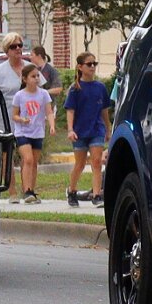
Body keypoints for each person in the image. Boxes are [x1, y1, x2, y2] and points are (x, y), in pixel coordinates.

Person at [64, 52, 109, 208]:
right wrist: (70, 129)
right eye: (89, 64)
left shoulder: (100, 87)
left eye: (94, 64)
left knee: (96, 162)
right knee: (80, 164)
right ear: (80, 67)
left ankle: (96, 195)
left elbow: (104, 110)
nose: (92, 67)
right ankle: (72, 190)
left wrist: (108, 128)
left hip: (96, 129)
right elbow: (70, 111)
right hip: (80, 131)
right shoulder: (75, 88)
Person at [9, 65, 52, 204]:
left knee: (33, 163)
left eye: (38, 76)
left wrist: (52, 125)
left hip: (38, 132)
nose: (37, 79)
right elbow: (14, 115)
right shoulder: (19, 95)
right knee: (28, 159)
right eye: (33, 76)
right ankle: (27, 190)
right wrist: (22, 119)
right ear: (25, 79)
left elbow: (49, 112)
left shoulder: (43, 94)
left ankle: (31, 191)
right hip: (22, 132)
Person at [0, 37, 28, 113]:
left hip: (29, 117)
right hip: (6, 117)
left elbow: (41, 91)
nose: (18, 48)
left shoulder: (31, 68)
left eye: (20, 45)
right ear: (7, 51)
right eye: (13, 46)